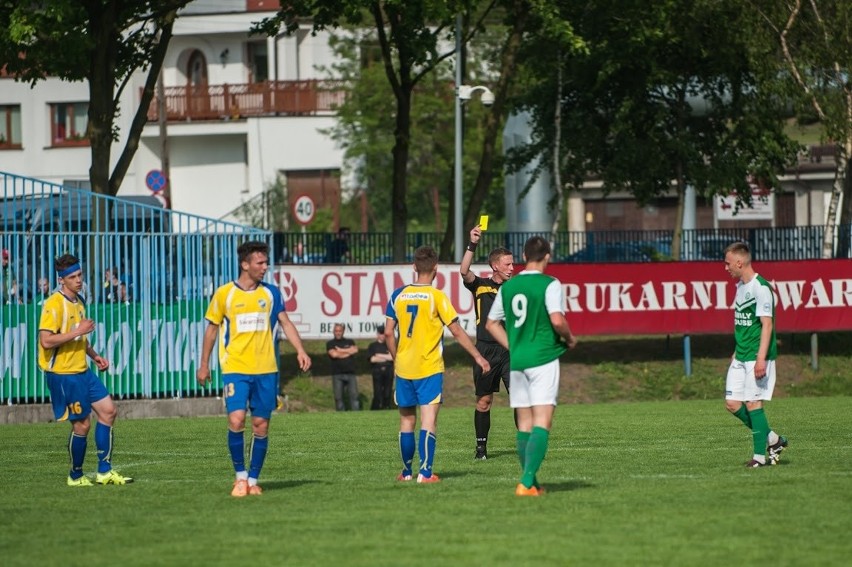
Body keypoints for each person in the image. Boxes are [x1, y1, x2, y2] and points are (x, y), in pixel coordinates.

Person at [197, 240, 312, 497]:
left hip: (266, 370)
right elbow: (211, 330)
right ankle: (239, 478)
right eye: (260, 262)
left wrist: (301, 350)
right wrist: (204, 364)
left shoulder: (271, 293)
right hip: (236, 368)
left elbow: (286, 322)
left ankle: (253, 480)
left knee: (261, 425)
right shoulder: (224, 294)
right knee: (236, 419)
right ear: (245, 264)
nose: (265, 267)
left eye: (265, 262)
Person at [385, 245, 490, 484]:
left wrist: (396, 358)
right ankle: (425, 473)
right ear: (435, 269)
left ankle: (406, 472)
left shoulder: (398, 295)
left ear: (414, 267)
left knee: (406, 421)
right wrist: (477, 356)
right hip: (429, 367)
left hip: (404, 368)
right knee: (429, 419)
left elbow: (389, 333)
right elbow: (456, 330)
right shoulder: (437, 297)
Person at [485, 236, 577, 497]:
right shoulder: (550, 284)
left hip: (519, 361)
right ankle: (525, 482)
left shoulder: (509, 287)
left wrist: (513, 346)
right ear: (547, 256)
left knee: (524, 424)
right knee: (542, 422)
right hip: (543, 359)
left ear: (524, 256)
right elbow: (557, 320)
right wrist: (570, 339)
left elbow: (491, 324)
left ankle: (532, 482)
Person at [38, 253, 132, 486]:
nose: (78, 280)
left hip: (83, 370)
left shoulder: (78, 301)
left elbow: (80, 339)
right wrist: (78, 331)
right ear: (62, 280)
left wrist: (95, 355)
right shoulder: (53, 304)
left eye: (80, 275)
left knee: (109, 411)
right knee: (82, 424)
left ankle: (104, 471)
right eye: (73, 277)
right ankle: (76, 475)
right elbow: (46, 341)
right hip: (63, 375)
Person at [723, 241, 788, 467]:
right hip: (740, 356)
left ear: (740, 262)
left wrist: (761, 358)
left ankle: (759, 458)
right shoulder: (740, 287)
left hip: (756, 357)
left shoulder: (761, 288)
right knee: (732, 403)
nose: (726, 268)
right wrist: (736, 351)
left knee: (753, 403)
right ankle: (773, 439)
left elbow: (766, 325)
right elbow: (744, 324)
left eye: (728, 263)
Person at [460, 223, 515, 460]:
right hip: (484, 350)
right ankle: (481, 448)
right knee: (484, 402)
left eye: (513, 264)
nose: (512, 268)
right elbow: (464, 271)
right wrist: (473, 243)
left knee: (520, 399)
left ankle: (526, 444)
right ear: (495, 266)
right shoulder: (480, 285)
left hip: (510, 350)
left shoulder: (515, 288)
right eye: (507, 264)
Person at [326, 323, 360, 411]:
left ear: (343, 331)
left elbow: (355, 350)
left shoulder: (350, 341)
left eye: (340, 331)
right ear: (333, 332)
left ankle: (356, 415)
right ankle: (341, 415)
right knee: (338, 397)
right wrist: (348, 352)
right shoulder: (330, 343)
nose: (338, 333)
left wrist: (341, 350)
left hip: (350, 373)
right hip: (337, 374)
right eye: (336, 331)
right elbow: (334, 355)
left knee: (354, 396)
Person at [367, 324, 394, 410]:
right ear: (378, 334)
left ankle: (386, 407)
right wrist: (386, 357)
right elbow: (372, 359)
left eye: (383, 333)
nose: (382, 335)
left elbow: (393, 357)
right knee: (377, 392)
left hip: (389, 370)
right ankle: (376, 408)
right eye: (381, 333)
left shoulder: (389, 345)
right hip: (377, 371)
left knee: (387, 391)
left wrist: (379, 355)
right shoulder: (372, 346)